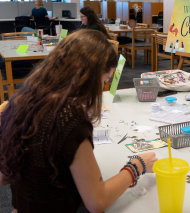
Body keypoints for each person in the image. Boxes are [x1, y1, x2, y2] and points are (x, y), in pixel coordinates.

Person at [0, 29, 157, 213]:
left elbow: (3, 177)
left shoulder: (20, 100)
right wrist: (136, 166)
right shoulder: (69, 120)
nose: (101, 88)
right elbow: (97, 202)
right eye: (104, 80)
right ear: (89, 77)